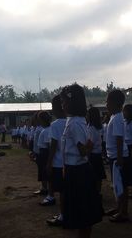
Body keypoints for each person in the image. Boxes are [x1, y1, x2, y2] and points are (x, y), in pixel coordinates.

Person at [59, 84, 102, 238]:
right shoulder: (77, 120)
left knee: (82, 215)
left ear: (72, 102)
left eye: (64, 102)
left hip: (78, 172)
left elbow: (82, 150)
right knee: (82, 214)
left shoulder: (75, 123)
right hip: (76, 169)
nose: (62, 105)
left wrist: (90, 145)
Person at [105, 89, 130, 222]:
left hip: (118, 156)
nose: (106, 103)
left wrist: (119, 157)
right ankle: (118, 207)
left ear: (114, 103)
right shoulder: (114, 117)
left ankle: (123, 212)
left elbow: (119, 139)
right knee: (117, 184)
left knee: (121, 185)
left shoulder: (118, 118)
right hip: (114, 156)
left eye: (108, 101)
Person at [46, 95, 67, 226]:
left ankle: (63, 216)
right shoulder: (70, 121)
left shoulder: (55, 125)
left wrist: (48, 163)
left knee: (62, 192)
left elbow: (53, 147)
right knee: (68, 191)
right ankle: (69, 214)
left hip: (58, 163)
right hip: (70, 163)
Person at [87, 107, 106, 194]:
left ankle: (95, 192)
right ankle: (98, 191)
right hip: (97, 153)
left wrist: (86, 155)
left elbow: (90, 144)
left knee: (93, 175)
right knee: (98, 175)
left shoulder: (91, 128)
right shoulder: (99, 126)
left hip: (93, 154)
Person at [36, 111, 53, 206]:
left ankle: (46, 189)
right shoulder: (45, 129)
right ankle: (44, 188)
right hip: (42, 152)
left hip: (45, 153)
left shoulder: (47, 130)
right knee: (42, 171)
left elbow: (48, 145)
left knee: (45, 172)